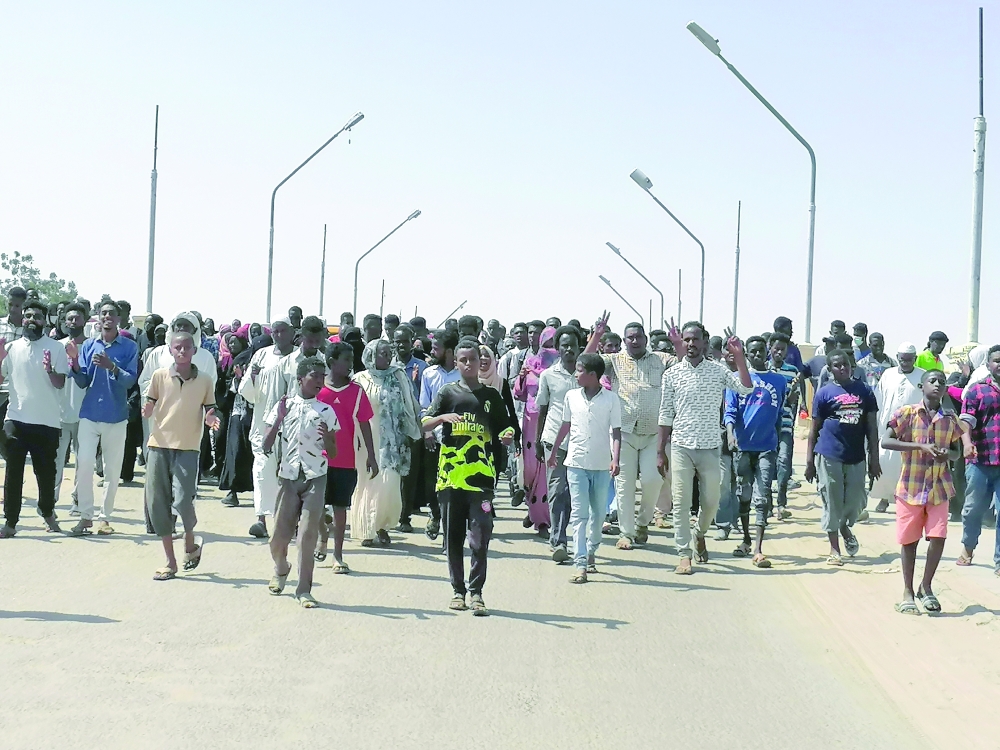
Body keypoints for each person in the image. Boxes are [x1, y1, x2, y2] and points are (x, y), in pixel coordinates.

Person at [422, 337, 514, 616]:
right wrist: (442, 419)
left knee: (480, 536)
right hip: (450, 477)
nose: (468, 364)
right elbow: (423, 422)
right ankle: (457, 591)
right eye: (462, 360)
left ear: (480, 362)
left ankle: (476, 592)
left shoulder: (491, 396)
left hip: (482, 478)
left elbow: (504, 427)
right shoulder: (448, 393)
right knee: (453, 537)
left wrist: (507, 436)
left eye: (473, 359)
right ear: (456, 362)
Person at [657, 322, 752, 574]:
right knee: (681, 502)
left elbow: (745, 388)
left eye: (695, 339)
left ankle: (700, 533)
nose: (691, 344)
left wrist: (740, 358)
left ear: (705, 343)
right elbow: (665, 414)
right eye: (686, 339)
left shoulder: (718, 371)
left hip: (710, 446)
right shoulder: (672, 374)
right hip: (680, 446)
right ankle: (684, 554)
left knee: (711, 502)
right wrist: (659, 451)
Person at [882, 369, 972, 614]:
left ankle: (926, 586)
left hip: (939, 487)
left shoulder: (949, 419)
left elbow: (955, 451)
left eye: (942, 382)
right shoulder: (907, 413)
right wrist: (919, 445)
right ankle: (908, 591)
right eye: (932, 381)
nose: (937, 384)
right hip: (911, 487)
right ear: (922, 387)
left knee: (938, 538)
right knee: (910, 541)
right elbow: (886, 441)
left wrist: (949, 454)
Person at [587, 315, 677, 550]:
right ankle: (626, 534)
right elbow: (584, 362)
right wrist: (596, 335)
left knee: (652, 480)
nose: (634, 341)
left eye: (638, 337)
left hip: (653, 434)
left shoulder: (661, 359)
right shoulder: (613, 360)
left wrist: (677, 341)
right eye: (630, 338)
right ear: (624, 340)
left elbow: (685, 365)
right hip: (623, 432)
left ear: (646, 339)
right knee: (624, 485)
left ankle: (643, 523)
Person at [142, 331, 219, 579]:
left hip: (188, 447)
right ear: (171, 350)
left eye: (187, 347)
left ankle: (189, 543)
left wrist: (211, 419)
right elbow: (150, 402)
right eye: (177, 347)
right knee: (157, 502)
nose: (182, 351)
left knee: (184, 500)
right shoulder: (160, 376)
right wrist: (147, 408)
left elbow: (210, 408)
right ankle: (170, 561)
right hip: (159, 445)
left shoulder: (205, 380)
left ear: (194, 350)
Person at [263, 357, 339, 608]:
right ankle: (281, 568)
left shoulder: (326, 411)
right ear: (300, 379)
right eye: (314, 375)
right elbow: (266, 445)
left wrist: (328, 438)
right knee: (278, 537)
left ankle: (304, 590)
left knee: (307, 535)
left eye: (322, 376)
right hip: (288, 477)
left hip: (315, 477)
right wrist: (278, 419)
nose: (319, 380)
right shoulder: (284, 406)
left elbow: (334, 452)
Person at [66, 301, 139, 536]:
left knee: (111, 470)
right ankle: (85, 516)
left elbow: (130, 381)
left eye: (111, 314)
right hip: (89, 414)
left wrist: (112, 367)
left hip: (116, 416)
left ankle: (105, 518)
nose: (107, 317)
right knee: (84, 465)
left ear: (119, 319)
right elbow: (84, 380)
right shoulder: (88, 344)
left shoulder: (129, 347)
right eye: (103, 313)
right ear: (98, 318)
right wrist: (75, 363)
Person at [547, 353, 621, 583]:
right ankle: (580, 563)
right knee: (579, 514)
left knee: (598, 514)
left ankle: (591, 550)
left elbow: (616, 432)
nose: (576, 374)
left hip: (600, 465)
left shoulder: (611, 399)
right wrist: (554, 450)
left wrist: (615, 459)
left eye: (580, 371)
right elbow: (566, 424)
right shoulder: (571, 396)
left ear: (592, 375)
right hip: (576, 463)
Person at [804, 349, 881, 566]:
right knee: (832, 501)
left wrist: (874, 460)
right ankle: (834, 548)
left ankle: (845, 526)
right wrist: (810, 462)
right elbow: (814, 430)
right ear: (830, 369)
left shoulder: (864, 391)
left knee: (857, 500)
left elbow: (872, 428)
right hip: (829, 454)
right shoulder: (824, 393)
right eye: (837, 365)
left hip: (856, 455)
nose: (843, 368)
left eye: (846, 364)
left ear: (852, 365)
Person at [0, 300, 68, 537]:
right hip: (16, 420)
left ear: (45, 320)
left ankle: (48, 513)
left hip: (46, 422)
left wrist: (50, 370)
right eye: (28, 315)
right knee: (13, 472)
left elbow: (60, 384)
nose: (31, 319)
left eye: (37, 316)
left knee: (46, 474)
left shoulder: (56, 348)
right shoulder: (11, 348)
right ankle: (10, 523)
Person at [351, 339, 422, 547]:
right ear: (371, 355)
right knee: (367, 482)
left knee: (389, 482)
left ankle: (382, 525)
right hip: (366, 440)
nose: (388, 356)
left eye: (388, 352)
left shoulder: (398, 375)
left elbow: (410, 403)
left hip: (392, 441)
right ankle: (366, 529)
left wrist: (415, 429)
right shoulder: (359, 379)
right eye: (382, 353)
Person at [725, 336, 786, 568]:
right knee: (744, 495)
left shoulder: (779, 381)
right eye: (753, 352)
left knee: (762, 498)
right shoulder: (735, 379)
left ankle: (759, 548)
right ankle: (746, 539)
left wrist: (777, 439)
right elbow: (730, 411)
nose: (758, 355)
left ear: (767, 352)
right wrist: (730, 434)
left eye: (761, 351)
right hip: (742, 447)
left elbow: (779, 413)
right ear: (746, 355)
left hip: (766, 447)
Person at [316, 342, 378, 571]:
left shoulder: (356, 391)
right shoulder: (317, 389)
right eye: (346, 359)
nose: (350, 364)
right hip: (318, 459)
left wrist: (371, 456)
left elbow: (364, 424)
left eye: (352, 359)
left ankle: (338, 555)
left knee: (340, 507)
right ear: (332, 361)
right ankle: (322, 537)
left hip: (346, 460)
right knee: (317, 508)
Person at [238, 318, 295, 538]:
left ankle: (289, 521)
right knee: (262, 470)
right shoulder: (262, 355)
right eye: (275, 331)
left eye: (283, 331)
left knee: (288, 473)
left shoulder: (298, 357)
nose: (278, 335)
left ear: (292, 333)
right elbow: (247, 391)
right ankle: (261, 519)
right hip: (263, 424)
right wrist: (252, 376)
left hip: (291, 426)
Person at [536, 326, 582, 562]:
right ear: (557, 348)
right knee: (557, 491)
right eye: (563, 345)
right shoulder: (548, 375)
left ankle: (580, 543)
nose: (568, 349)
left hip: (582, 441)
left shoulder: (586, 375)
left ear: (578, 347)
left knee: (575, 494)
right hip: (554, 440)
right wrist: (537, 441)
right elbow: (542, 409)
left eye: (572, 345)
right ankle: (558, 542)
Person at [957, 345, 1000, 573]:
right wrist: (966, 444)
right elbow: (965, 421)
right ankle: (968, 546)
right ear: (988, 364)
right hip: (980, 460)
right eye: (996, 360)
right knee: (973, 509)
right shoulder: (977, 391)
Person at [869, 343, 925, 513]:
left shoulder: (922, 376)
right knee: (885, 463)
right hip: (888, 427)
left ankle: (905, 502)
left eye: (909, 360)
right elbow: (879, 398)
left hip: (913, 428)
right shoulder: (888, 374)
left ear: (914, 359)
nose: (905, 363)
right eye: (902, 359)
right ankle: (885, 498)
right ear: (898, 358)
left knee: (908, 467)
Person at [513, 323, 557, 535]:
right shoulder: (529, 363)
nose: (550, 348)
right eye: (546, 344)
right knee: (530, 471)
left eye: (553, 344)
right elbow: (519, 393)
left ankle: (542, 521)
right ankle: (532, 510)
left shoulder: (560, 369)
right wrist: (521, 377)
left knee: (545, 473)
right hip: (529, 423)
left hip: (550, 421)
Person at [419, 329, 463, 539]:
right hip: (434, 436)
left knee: (454, 483)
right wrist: (427, 432)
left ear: (449, 351)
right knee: (431, 481)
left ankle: (451, 527)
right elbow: (423, 407)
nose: (432, 350)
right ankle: (435, 515)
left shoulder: (463, 375)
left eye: (437, 347)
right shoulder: (429, 374)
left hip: (459, 437)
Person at [219, 334, 268, 507]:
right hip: (240, 413)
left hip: (265, 415)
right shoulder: (242, 359)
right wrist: (240, 378)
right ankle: (233, 492)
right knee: (236, 451)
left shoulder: (274, 362)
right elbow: (230, 387)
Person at [394, 324, 428, 532]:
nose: (400, 345)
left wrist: (414, 384)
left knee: (410, 472)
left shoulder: (422, 368)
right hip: (391, 425)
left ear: (411, 342)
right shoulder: (388, 366)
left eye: (404, 341)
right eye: (397, 342)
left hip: (413, 425)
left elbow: (422, 399)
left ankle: (405, 516)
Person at [56, 302, 88, 513]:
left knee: (83, 464)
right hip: (58, 413)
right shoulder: (56, 346)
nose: (73, 322)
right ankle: (50, 502)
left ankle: (78, 502)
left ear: (84, 321)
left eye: (77, 318)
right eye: (69, 319)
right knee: (55, 462)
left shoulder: (92, 346)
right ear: (63, 322)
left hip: (85, 415)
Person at [768, 333, 803, 515]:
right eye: (776, 348)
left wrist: (791, 398)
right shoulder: (763, 369)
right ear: (770, 348)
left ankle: (781, 503)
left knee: (783, 462)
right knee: (765, 464)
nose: (779, 352)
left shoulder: (792, 372)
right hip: (765, 426)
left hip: (785, 424)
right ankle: (766, 503)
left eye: (783, 349)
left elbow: (793, 400)